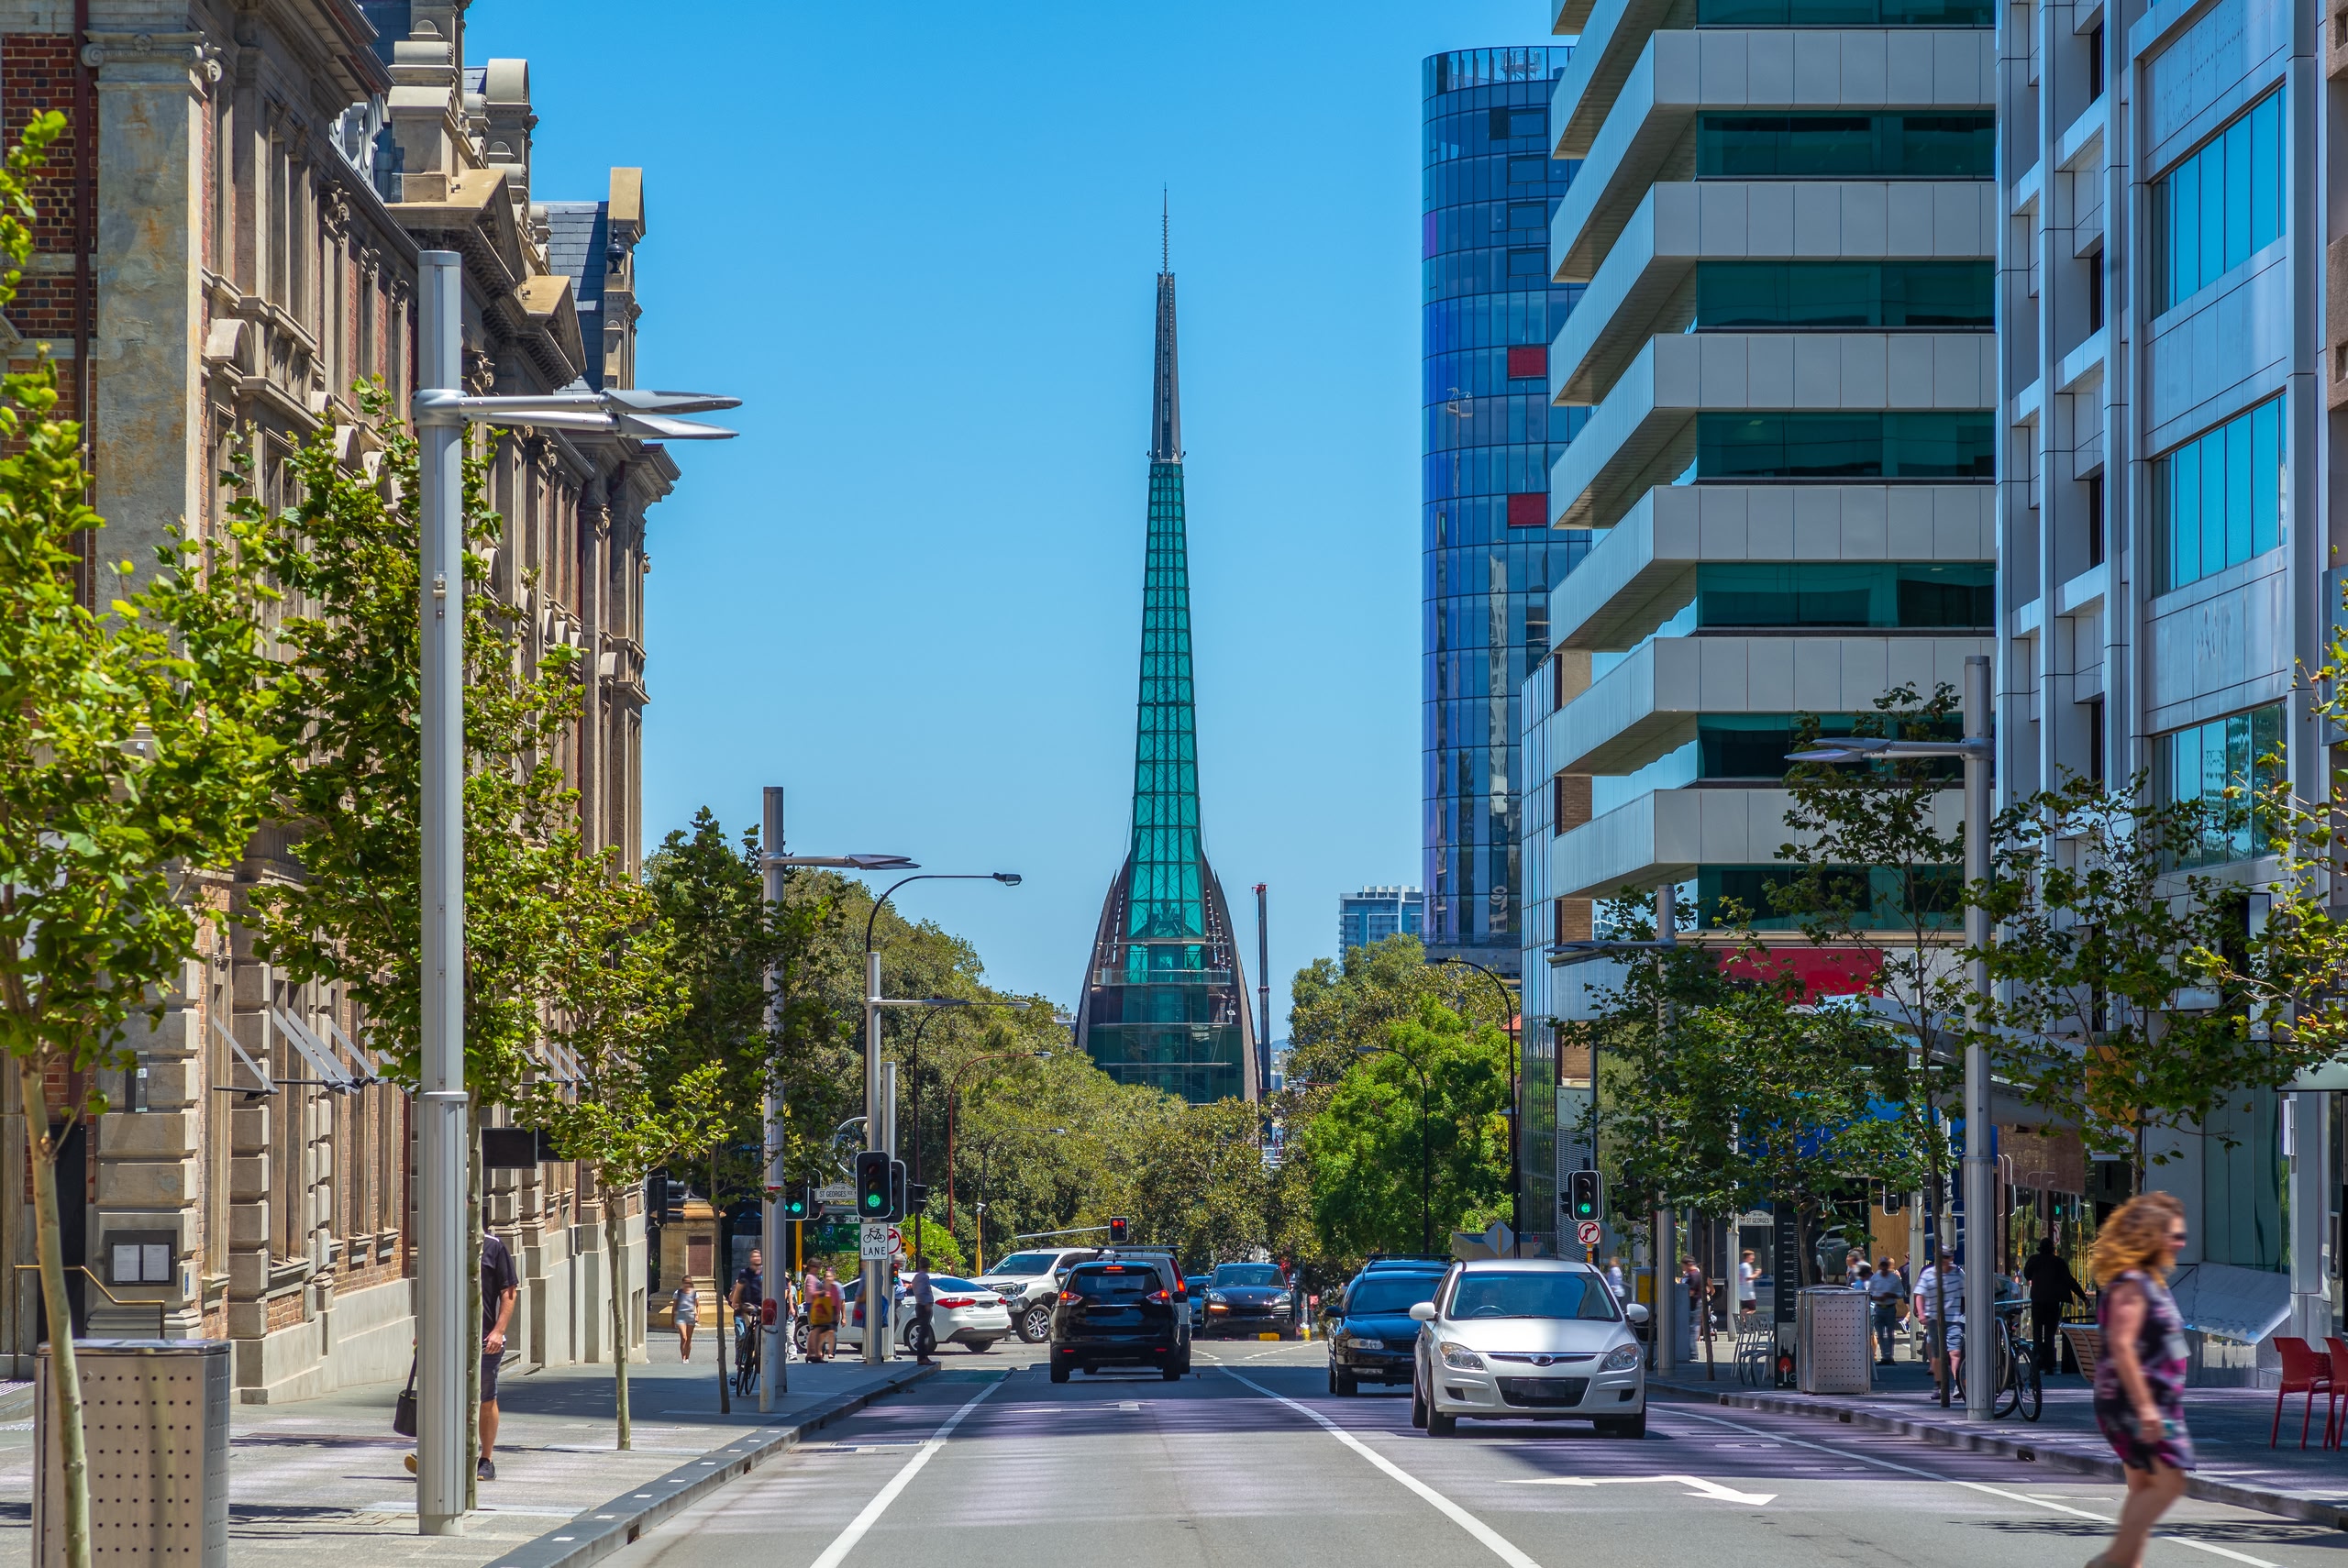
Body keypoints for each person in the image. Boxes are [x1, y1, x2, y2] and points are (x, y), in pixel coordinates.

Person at [2087, 1193, 2193, 1568]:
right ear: (2150, 1235)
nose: (2180, 1243)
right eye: (2173, 1235)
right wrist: (2146, 1406)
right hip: (2136, 1401)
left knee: (2145, 1486)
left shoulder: (2149, 1280)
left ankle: (2126, 1563)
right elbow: (2122, 1344)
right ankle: (2113, 1561)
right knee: (2169, 1481)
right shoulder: (2132, 1282)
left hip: (2152, 1400)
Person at [2022, 1235, 2088, 1377]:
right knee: (2050, 1334)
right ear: (2052, 1249)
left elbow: (2026, 1274)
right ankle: (2049, 1365)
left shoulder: (2034, 1260)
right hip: (2053, 1302)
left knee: (2037, 1333)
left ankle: (2037, 1360)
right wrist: (2084, 1297)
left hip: (2038, 1301)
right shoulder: (2058, 1262)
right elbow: (2070, 1281)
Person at [1912, 1246, 1966, 1401]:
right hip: (1934, 1318)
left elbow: (1966, 1291)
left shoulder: (1958, 1273)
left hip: (1954, 1318)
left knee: (1955, 1352)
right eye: (1943, 1257)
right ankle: (1939, 1385)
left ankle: (1957, 1384)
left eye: (1948, 1257)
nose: (1947, 1261)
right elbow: (1919, 1295)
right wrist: (1921, 1313)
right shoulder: (1928, 1274)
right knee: (1937, 1355)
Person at [729, 1248, 765, 1375]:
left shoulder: (764, 1273)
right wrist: (735, 1303)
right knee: (743, 1335)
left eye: (758, 1256)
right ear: (750, 1259)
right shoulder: (745, 1273)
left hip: (761, 1308)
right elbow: (739, 1288)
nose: (757, 1258)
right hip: (746, 1307)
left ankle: (757, 1358)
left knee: (760, 1336)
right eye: (754, 1256)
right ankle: (741, 1360)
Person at [1866, 1254, 1906, 1365]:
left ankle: (1890, 1356)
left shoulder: (1894, 1278)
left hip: (1890, 1307)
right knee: (1880, 1333)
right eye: (1881, 1265)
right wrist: (1877, 1297)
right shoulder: (1875, 1278)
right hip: (1878, 1307)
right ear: (1879, 1266)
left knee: (1890, 1334)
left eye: (1885, 1265)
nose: (1883, 1268)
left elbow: (1901, 1293)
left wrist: (1890, 1294)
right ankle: (1884, 1356)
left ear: (1888, 1266)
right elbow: (1870, 1293)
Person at [806, 1264, 838, 1362]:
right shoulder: (818, 1283)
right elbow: (813, 1295)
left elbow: (837, 1300)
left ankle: (816, 1354)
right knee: (816, 1331)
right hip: (820, 1310)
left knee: (822, 1332)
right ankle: (815, 1354)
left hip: (827, 1311)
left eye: (830, 1276)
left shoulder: (834, 1287)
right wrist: (823, 1294)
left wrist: (837, 1313)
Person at [910, 1261, 936, 1366]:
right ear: (927, 1267)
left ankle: (923, 1357)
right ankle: (922, 1357)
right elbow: (922, 1291)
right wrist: (926, 1304)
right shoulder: (924, 1277)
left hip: (920, 1305)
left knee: (923, 1332)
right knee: (923, 1333)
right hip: (923, 1306)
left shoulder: (916, 1277)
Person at [670, 1280, 699, 1362]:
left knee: (689, 1338)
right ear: (682, 1283)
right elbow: (674, 1307)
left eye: (689, 1283)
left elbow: (698, 1305)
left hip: (690, 1315)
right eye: (685, 1283)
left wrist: (697, 1316)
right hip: (681, 1316)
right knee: (684, 1337)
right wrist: (672, 1320)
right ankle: (683, 1356)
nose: (687, 1284)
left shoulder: (694, 1293)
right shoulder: (678, 1293)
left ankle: (687, 1357)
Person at [1737, 1250, 1757, 1319]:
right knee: (1752, 1309)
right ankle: (1742, 1320)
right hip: (1749, 1294)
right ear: (1748, 1256)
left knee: (1744, 1310)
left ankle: (1742, 1325)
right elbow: (1748, 1278)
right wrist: (1757, 1273)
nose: (1753, 1257)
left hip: (1742, 1293)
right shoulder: (1747, 1266)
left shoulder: (1740, 1266)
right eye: (1752, 1256)